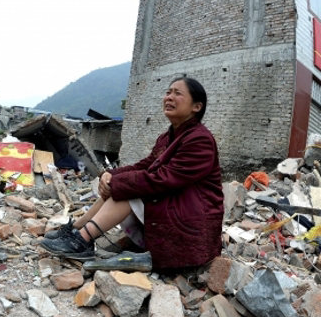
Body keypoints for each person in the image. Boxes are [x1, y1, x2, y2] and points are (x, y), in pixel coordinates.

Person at [41, 77, 224, 271]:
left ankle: (82, 241)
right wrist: (110, 174)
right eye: (168, 92)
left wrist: (117, 182)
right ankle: (77, 230)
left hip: (193, 222)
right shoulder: (168, 137)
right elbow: (145, 165)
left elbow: (164, 179)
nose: (169, 97)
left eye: (177, 93)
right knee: (121, 184)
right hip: (175, 208)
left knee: (130, 190)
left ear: (196, 106)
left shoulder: (200, 140)